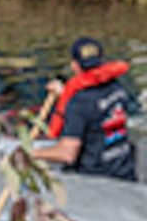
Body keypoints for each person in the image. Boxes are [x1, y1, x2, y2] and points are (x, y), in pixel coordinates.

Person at [34, 38, 136, 182]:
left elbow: (67, 155)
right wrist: (64, 94)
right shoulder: (118, 88)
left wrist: (31, 153)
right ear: (103, 60)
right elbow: (96, 107)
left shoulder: (79, 104)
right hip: (124, 170)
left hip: (97, 177)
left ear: (74, 66)